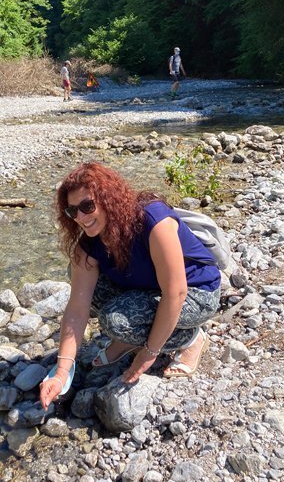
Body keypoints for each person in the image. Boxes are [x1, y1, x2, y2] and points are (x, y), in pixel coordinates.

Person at [40, 162, 221, 410]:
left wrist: (149, 352)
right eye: (73, 211)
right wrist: (62, 371)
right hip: (149, 286)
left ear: (108, 199)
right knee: (80, 274)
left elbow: (175, 292)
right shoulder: (89, 244)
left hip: (196, 292)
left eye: (87, 206)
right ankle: (135, 336)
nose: (81, 218)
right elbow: (77, 308)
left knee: (116, 322)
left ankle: (189, 338)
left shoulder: (153, 220)